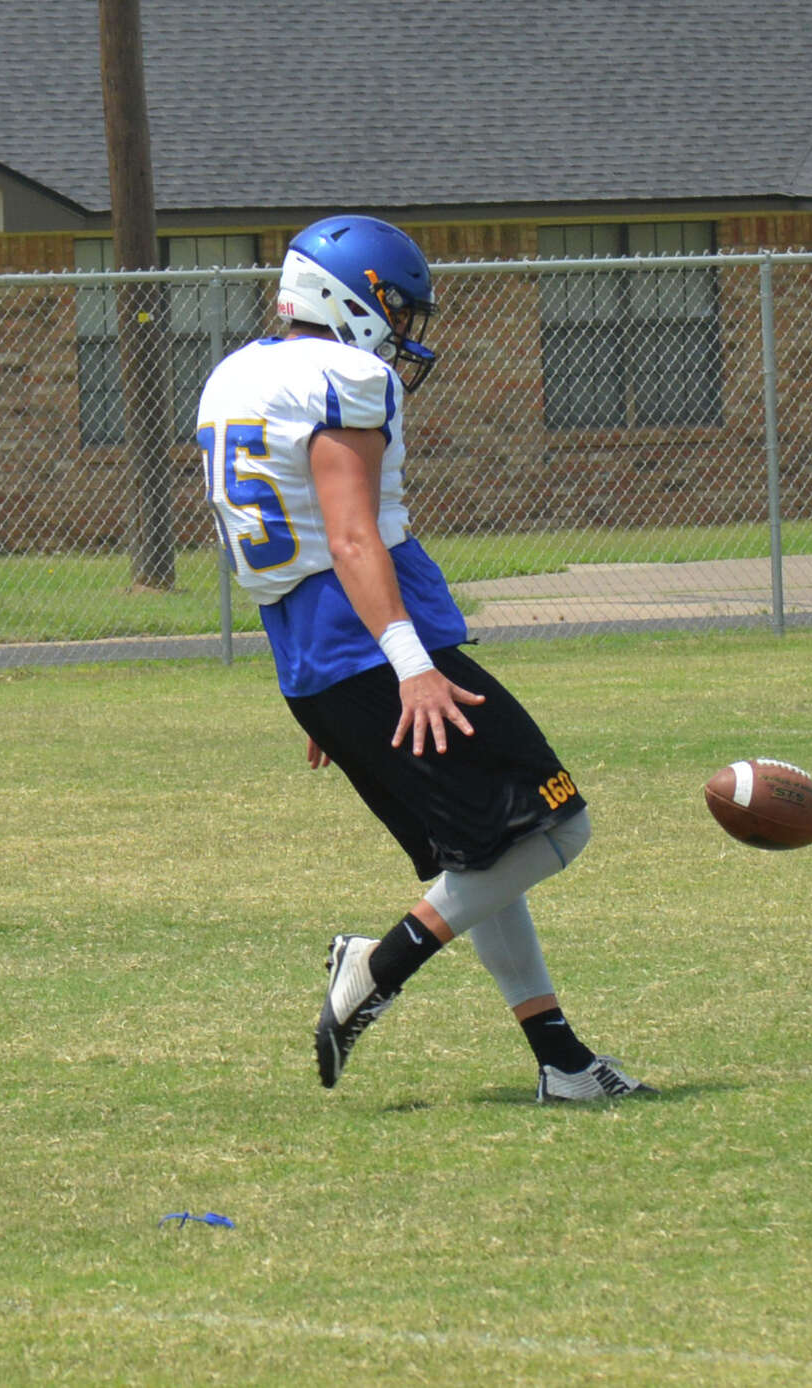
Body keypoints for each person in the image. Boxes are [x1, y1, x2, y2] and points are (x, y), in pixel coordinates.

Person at [196, 214, 655, 1103]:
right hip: (374, 644)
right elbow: (349, 536)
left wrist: (333, 700)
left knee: (482, 856)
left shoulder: (235, 375)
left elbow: (280, 547)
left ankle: (563, 1063)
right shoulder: (346, 375)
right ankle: (377, 965)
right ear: (355, 299)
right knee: (559, 823)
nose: (404, 333)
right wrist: (405, 664)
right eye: (399, 311)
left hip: (322, 662)